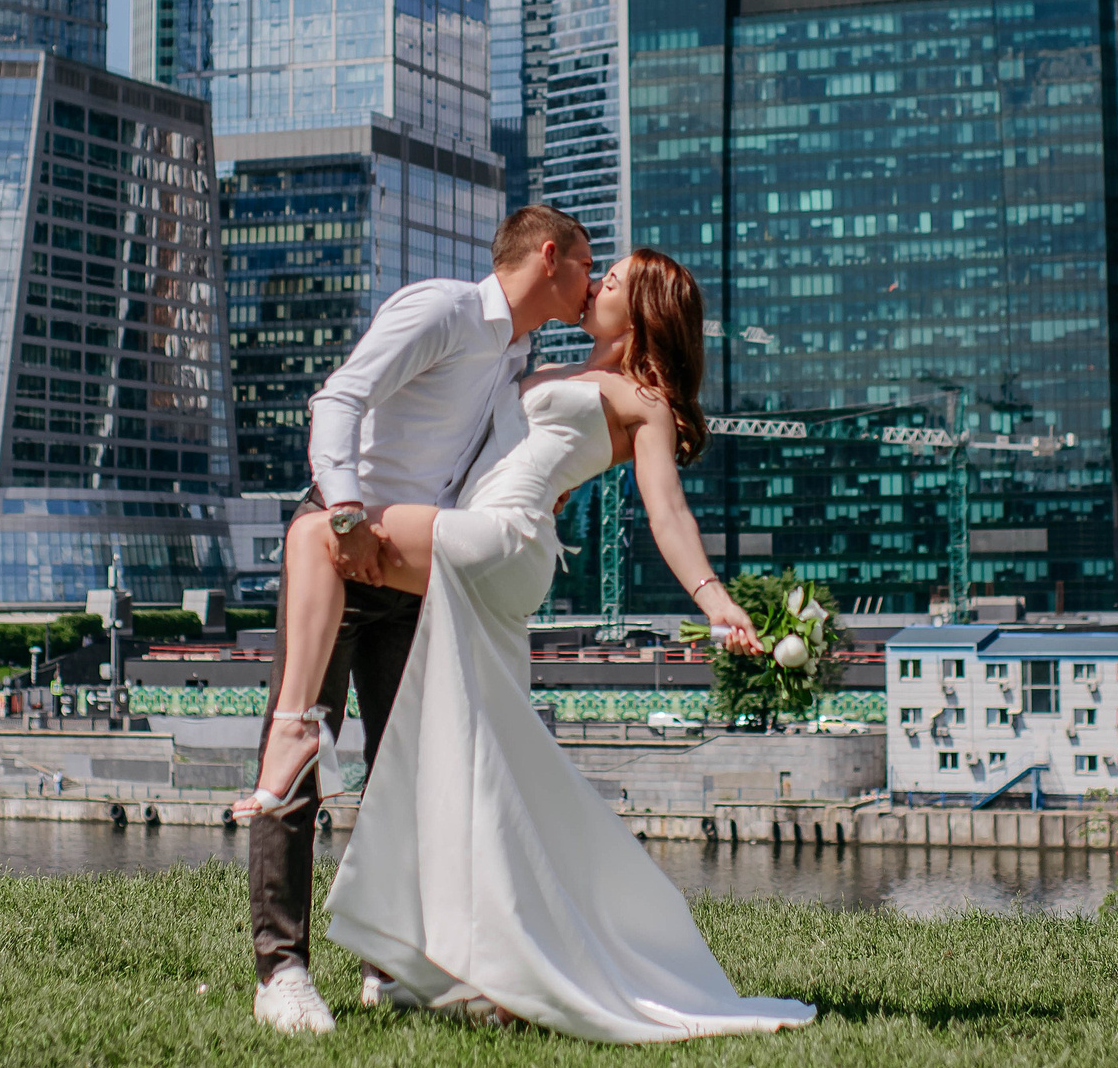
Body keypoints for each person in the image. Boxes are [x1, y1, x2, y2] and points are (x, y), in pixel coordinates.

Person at [303, 250, 816, 1041]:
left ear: (642, 310)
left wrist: (715, 599)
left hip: (503, 538)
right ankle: (470, 968)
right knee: (469, 763)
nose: (596, 284)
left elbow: (667, 512)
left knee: (322, 532)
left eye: (612, 281)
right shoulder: (545, 366)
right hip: (488, 541)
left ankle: (291, 737)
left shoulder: (645, 401)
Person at [245, 205, 597, 1038]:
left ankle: (391, 964)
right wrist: (345, 513)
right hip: (342, 549)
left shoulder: (515, 355)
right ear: (551, 256)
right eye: (589, 266)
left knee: (408, 772)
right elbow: (339, 397)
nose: (592, 284)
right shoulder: (443, 309)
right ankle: (281, 972)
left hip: (412, 569)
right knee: (299, 746)